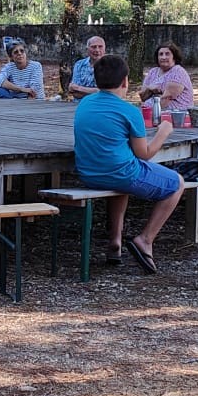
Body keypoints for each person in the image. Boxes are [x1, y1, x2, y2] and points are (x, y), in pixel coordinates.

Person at [73, 53, 184, 273]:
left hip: (88, 173)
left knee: (121, 180)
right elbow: (144, 154)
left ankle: (115, 241)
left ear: (96, 80)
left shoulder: (84, 103)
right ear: (125, 81)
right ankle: (146, 239)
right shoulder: (130, 111)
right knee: (177, 183)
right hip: (120, 173)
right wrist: (163, 132)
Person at [138, 43, 194, 110]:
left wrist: (147, 108)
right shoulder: (153, 72)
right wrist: (149, 89)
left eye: (167, 54)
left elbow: (165, 101)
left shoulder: (178, 72)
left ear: (174, 57)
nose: (163, 57)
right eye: (161, 54)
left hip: (175, 114)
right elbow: (143, 97)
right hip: (152, 111)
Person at [68, 35, 106, 100]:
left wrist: (78, 88)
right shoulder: (79, 64)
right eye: (93, 47)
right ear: (87, 49)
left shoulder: (111, 66)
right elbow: (74, 93)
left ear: (104, 49)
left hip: (100, 105)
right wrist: (96, 92)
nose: (97, 50)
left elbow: (105, 93)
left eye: (100, 47)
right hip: (78, 105)